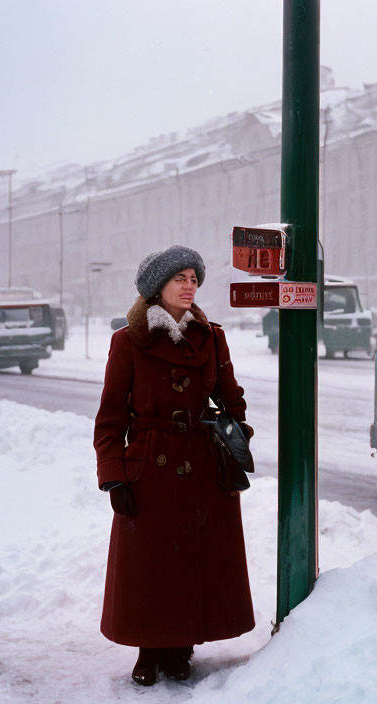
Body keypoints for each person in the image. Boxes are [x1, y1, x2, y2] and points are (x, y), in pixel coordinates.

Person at [93, 245, 255, 686]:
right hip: (149, 467)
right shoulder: (127, 341)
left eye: (194, 279)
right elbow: (109, 418)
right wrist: (114, 475)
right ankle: (149, 648)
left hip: (201, 465)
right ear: (157, 288)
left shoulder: (212, 336)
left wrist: (234, 437)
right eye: (180, 279)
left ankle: (181, 645)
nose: (189, 287)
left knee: (193, 560)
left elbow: (232, 400)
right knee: (152, 564)